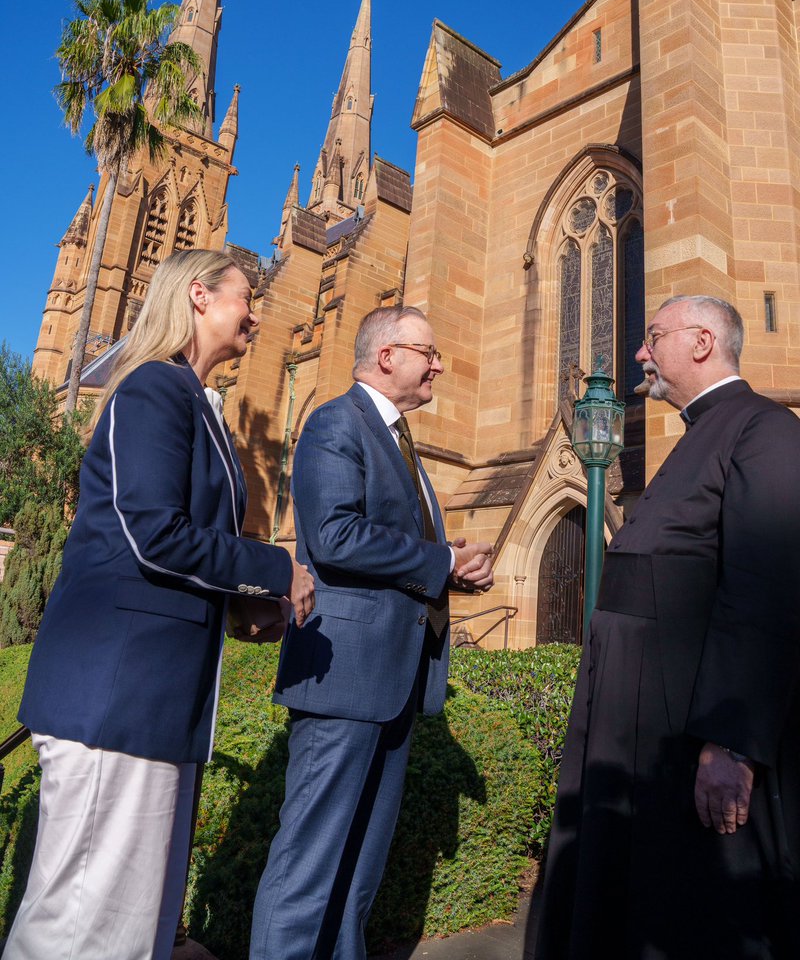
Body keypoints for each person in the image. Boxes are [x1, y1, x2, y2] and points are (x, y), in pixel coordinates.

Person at [5, 249, 315, 960]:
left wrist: (244, 609)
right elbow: (155, 535)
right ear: (200, 297)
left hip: (154, 707)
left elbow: (171, 553)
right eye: (247, 298)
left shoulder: (194, 404)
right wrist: (275, 566)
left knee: (128, 932)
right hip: (116, 699)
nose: (258, 314)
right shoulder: (152, 388)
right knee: (81, 931)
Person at [534, 294, 800, 960]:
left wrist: (732, 744)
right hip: (642, 733)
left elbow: (767, 588)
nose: (640, 351)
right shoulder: (698, 433)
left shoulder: (763, 430)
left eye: (653, 337)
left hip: (691, 739)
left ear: (703, 343)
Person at [249, 305, 495, 960]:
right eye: (428, 351)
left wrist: (452, 572)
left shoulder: (400, 439)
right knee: (310, 870)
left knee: (357, 874)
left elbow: (393, 550)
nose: (440, 363)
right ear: (388, 356)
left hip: (395, 680)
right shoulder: (338, 422)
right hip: (344, 680)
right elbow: (331, 537)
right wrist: (438, 560)